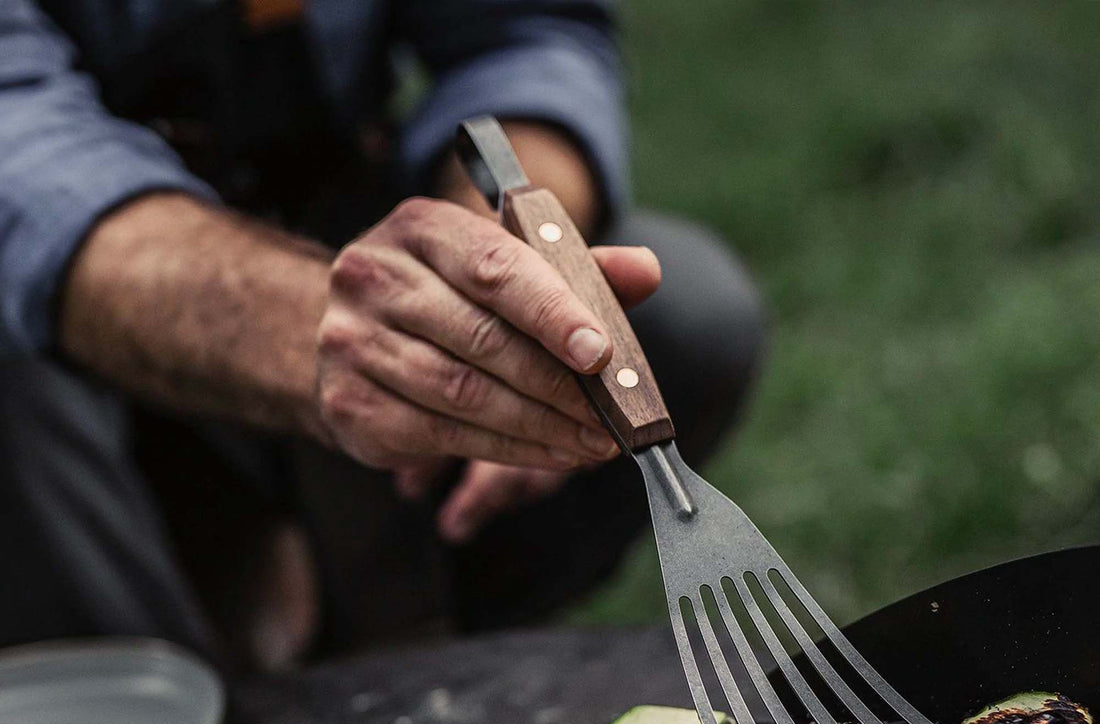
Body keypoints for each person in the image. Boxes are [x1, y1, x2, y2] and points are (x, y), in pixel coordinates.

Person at [0, 0, 765, 670]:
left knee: (685, 315)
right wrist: (314, 324)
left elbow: (520, 33)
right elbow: (24, 163)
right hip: (69, 361)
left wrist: (483, 282)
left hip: (333, 212)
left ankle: (393, 679)